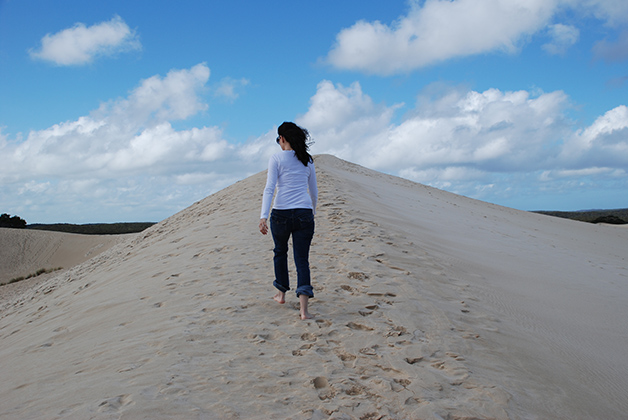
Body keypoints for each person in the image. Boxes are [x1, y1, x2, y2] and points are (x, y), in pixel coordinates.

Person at [259, 122, 318, 320]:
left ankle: (281, 294)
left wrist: (263, 216)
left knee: (280, 252)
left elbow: (269, 188)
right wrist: (312, 212)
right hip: (304, 212)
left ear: (282, 139)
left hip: (281, 213)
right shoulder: (306, 159)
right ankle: (304, 311)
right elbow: (314, 191)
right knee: (302, 260)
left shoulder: (276, 158)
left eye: (278, 139)